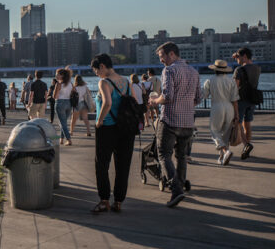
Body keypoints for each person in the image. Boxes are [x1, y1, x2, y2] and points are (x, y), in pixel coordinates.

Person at [148, 42, 201, 208]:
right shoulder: (194, 72)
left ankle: (176, 189)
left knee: (163, 154)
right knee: (181, 156)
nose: (161, 61)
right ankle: (182, 183)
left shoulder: (169, 70)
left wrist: (154, 101)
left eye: (162, 57)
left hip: (170, 120)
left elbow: (168, 96)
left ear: (171, 54)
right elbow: (198, 98)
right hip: (188, 122)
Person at [91, 53, 136, 213]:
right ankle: (118, 202)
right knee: (123, 166)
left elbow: (107, 103)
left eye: (96, 70)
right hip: (126, 129)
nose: (96, 74)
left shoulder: (104, 82)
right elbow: (135, 102)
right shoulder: (127, 81)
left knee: (102, 164)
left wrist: (99, 121)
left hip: (107, 128)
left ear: (102, 66)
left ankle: (104, 200)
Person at [203, 60, 239, 165]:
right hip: (230, 108)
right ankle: (222, 157)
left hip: (217, 107)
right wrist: (237, 114)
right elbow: (235, 100)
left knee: (215, 132)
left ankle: (225, 151)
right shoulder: (231, 81)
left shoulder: (210, 80)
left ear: (215, 69)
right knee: (226, 134)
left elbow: (204, 95)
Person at [232, 47, 260, 160]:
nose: (236, 58)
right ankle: (247, 148)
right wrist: (238, 56)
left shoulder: (239, 70)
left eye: (238, 56)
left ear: (244, 57)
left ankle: (246, 145)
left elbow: (235, 88)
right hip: (252, 99)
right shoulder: (257, 68)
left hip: (241, 100)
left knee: (238, 122)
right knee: (247, 124)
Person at [53, 69, 74, 145]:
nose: (56, 76)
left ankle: (68, 139)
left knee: (62, 123)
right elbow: (73, 93)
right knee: (64, 122)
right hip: (69, 103)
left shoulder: (58, 84)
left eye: (57, 74)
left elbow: (55, 96)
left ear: (62, 75)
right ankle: (61, 139)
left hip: (60, 103)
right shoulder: (70, 84)